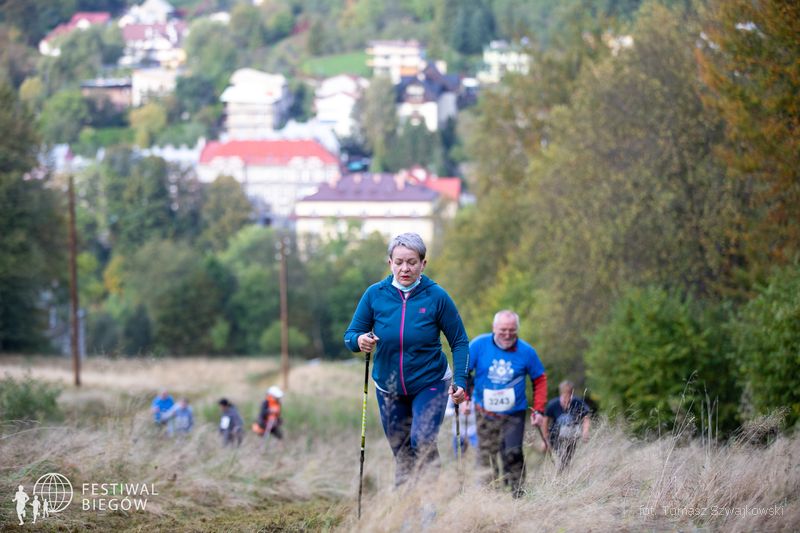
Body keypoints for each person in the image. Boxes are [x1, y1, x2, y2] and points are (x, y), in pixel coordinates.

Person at [344, 232, 470, 486]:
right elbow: (350, 335)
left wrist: (461, 381)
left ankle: (431, 499)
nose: (405, 268)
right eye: (399, 262)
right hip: (388, 386)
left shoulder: (436, 296)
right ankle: (405, 502)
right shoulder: (375, 294)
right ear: (390, 262)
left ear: (423, 263)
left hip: (430, 382)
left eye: (412, 262)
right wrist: (360, 340)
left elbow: (459, 341)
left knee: (422, 440)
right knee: (402, 452)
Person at [469, 310, 547, 498]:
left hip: (514, 413)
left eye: (512, 330)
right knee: (486, 455)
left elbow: (540, 380)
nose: (507, 334)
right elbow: (463, 373)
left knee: (512, 452)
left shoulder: (526, 351)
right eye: (503, 330)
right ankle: (488, 496)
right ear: (494, 328)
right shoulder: (478, 345)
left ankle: (517, 494)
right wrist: (464, 399)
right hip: (484, 412)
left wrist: (538, 410)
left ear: (517, 329)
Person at [544, 380, 591, 472]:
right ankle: (561, 471)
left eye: (570, 394)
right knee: (562, 455)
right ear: (561, 393)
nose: (568, 398)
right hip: (556, 436)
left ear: (572, 393)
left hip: (571, 436)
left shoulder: (577, 402)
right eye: (565, 395)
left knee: (567, 457)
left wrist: (585, 431)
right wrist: (545, 437)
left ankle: (562, 472)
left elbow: (586, 417)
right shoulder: (553, 404)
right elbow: (545, 420)